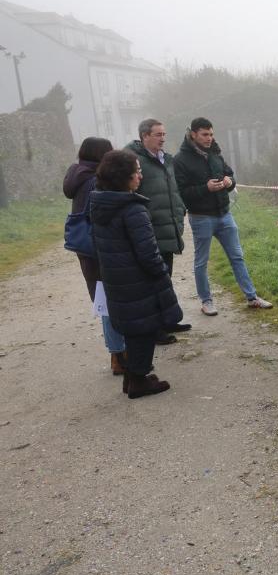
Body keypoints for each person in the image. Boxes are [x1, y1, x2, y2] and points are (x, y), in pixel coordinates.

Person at [89, 150, 181, 398]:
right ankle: (139, 381)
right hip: (138, 279)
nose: (140, 175)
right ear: (125, 177)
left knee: (132, 328)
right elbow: (149, 254)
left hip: (116, 278)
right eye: (137, 171)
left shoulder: (100, 203)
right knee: (144, 328)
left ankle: (131, 376)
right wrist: (161, 273)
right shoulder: (133, 209)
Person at [173, 117, 272, 315]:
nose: (209, 138)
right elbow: (181, 192)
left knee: (237, 257)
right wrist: (205, 188)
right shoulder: (180, 160)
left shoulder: (215, 153)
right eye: (205, 134)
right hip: (201, 217)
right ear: (193, 134)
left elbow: (230, 174)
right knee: (202, 261)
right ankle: (206, 301)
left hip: (225, 214)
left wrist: (230, 182)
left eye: (211, 134)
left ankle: (252, 297)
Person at [63, 137, 127, 375]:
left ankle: (117, 353)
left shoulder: (78, 176)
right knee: (110, 301)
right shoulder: (95, 181)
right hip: (100, 247)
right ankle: (119, 354)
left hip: (86, 250)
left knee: (103, 299)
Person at [125, 118, 190, 343]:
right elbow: (131, 195)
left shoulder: (166, 160)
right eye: (158, 134)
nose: (163, 138)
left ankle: (168, 320)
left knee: (165, 279)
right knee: (153, 283)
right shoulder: (132, 161)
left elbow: (174, 190)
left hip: (168, 229)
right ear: (145, 136)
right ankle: (155, 330)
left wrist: (180, 209)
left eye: (164, 134)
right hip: (149, 231)